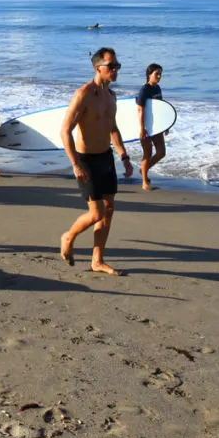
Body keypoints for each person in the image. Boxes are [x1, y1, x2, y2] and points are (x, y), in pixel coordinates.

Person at [59, 47, 133, 276]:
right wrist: (75, 163)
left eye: (117, 65)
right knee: (96, 213)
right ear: (97, 68)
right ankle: (69, 236)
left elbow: (113, 128)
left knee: (108, 210)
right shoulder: (84, 94)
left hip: (106, 158)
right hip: (86, 159)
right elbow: (65, 130)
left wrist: (124, 155)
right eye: (111, 66)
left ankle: (97, 260)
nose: (115, 70)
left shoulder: (112, 96)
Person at [136, 63, 168, 191]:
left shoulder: (158, 88)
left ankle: (143, 169)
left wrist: (166, 124)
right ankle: (144, 181)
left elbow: (161, 107)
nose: (159, 76)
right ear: (149, 75)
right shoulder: (144, 90)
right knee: (147, 153)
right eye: (156, 74)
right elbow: (140, 109)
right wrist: (142, 128)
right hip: (146, 126)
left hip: (156, 126)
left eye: (160, 74)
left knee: (161, 152)